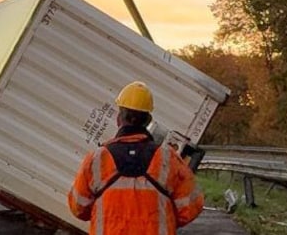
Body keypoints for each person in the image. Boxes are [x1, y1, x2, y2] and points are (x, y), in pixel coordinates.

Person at [67, 81, 204, 234]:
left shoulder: (97, 159)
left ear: (119, 119)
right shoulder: (168, 158)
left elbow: (78, 208)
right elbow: (191, 208)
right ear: (148, 121)